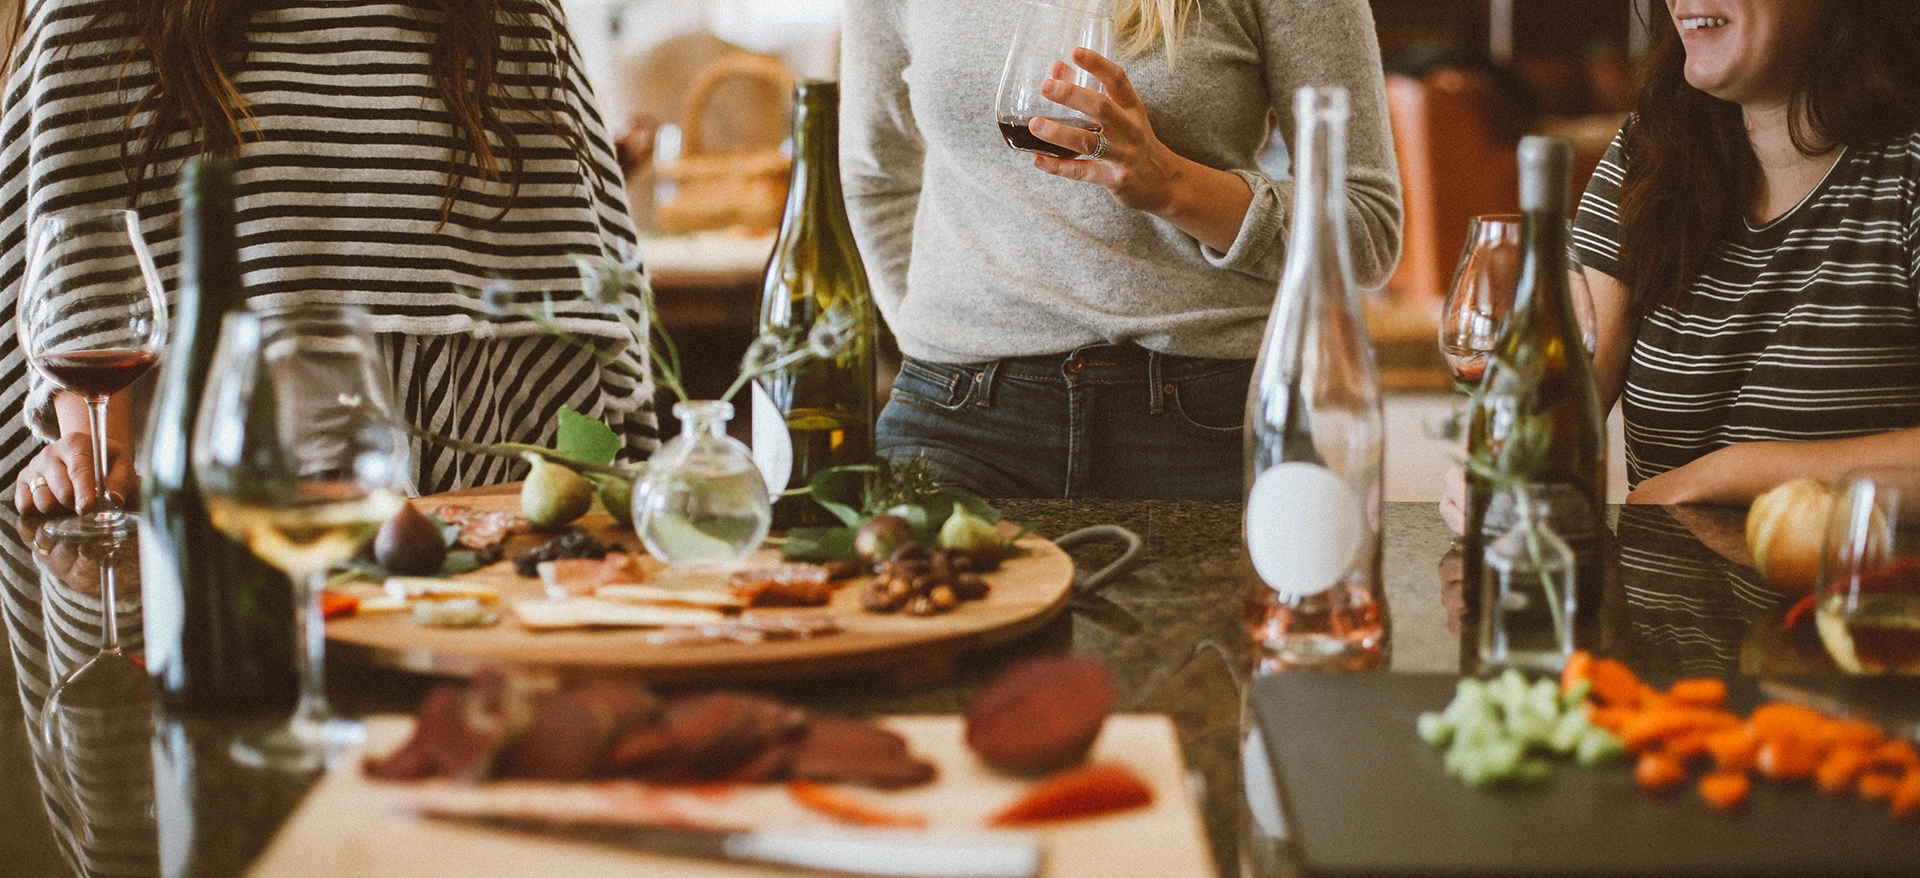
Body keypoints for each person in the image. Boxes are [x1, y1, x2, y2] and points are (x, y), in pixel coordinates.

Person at [3, 0, 657, 514]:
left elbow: (587, 303)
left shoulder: (507, 14)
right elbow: (78, 280)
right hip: (194, 526)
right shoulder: (92, 13)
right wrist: (86, 451)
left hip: (468, 502)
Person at [840, 0, 1402, 500]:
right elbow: (874, 178)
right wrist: (927, 335)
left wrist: (1172, 186)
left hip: (1205, 421)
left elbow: (1366, 228)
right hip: (958, 420)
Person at [1443, 0, 1920, 530]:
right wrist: (1505, 456)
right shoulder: (1648, 151)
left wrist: (1727, 475)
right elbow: (1564, 394)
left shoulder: (1908, 169)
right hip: (1659, 611)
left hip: (1852, 609)